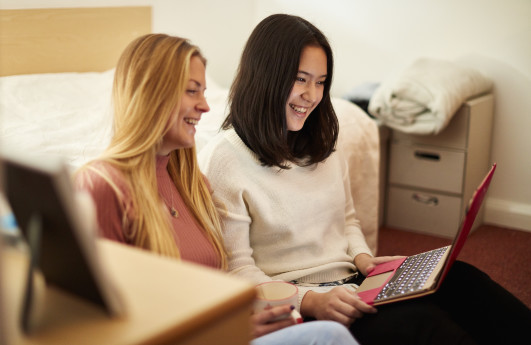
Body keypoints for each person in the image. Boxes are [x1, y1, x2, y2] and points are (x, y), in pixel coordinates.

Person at [198, 14, 531, 345]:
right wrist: (311, 300)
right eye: (300, 79)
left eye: (321, 81)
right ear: (266, 77)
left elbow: (347, 220)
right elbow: (238, 271)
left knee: (462, 279)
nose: (312, 96)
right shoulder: (225, 158)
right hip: (305, 306)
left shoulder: (321, 141)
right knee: (424, 326)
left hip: (355, 283)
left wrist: (363, 259)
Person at [74, 33, 359, 345]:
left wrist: (244, 320)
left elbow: (218, 280)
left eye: (204, 91)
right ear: (151, 94)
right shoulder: (101, 186)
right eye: (192, 91)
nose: (206, 106)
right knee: (330, 336)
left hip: (221, 331)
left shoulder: (190, 182)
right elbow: (103, 327)